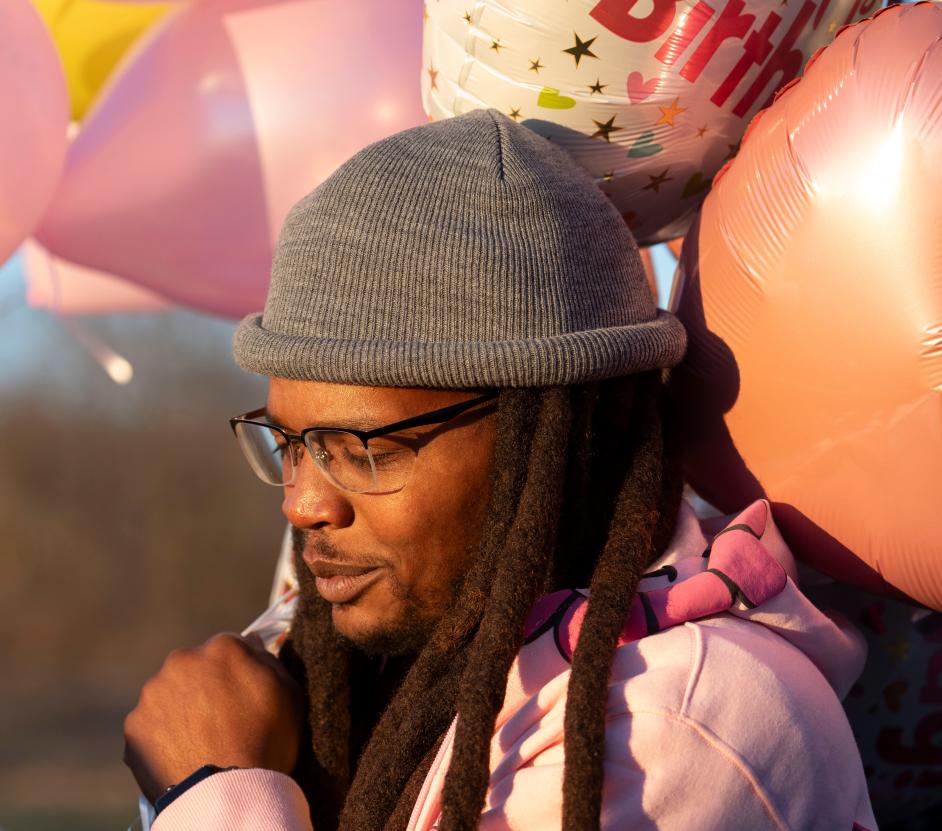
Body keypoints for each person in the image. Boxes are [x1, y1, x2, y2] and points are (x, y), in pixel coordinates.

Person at [122, 110, 878, 830]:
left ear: (562, 439)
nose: (304, 503)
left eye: (364, 448)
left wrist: (217, 791)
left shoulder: (680, 724)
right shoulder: (377, 660)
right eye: (289, 443)